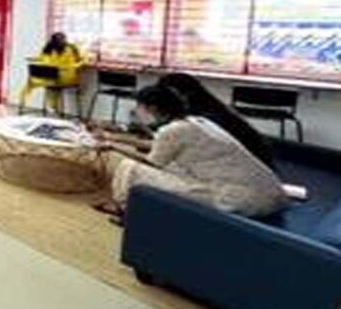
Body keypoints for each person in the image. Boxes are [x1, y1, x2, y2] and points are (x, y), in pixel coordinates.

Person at [100, 84, 286, 219]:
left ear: (152, 108)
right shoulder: (197, 122)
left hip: (240, 200)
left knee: (129, 167)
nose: (137, 111)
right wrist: (113, 137)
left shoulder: (172, 130)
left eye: (139, 107)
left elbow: (152, 162)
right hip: (273, 193)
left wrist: (114, 147)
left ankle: (124, 211)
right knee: (174, 165)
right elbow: (158, 144)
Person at [156, 73, 275, 169]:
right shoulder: (208, 106)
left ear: (181, 94)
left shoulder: (205, 116)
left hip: (247, 167)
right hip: (253, 163)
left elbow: (182, 141)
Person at [18, 32, 83, 114]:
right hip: (58, 78)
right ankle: (53, 107)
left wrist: (75, 66)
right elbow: (42, 58)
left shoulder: (69, 48)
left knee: (35, 83)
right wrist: (33, 58)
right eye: (61, 39)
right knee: (48, 84)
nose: (62, 41)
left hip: (60, 78)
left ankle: (24, 104)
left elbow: (82, 60)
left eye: (62, 39)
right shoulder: (52, 48)